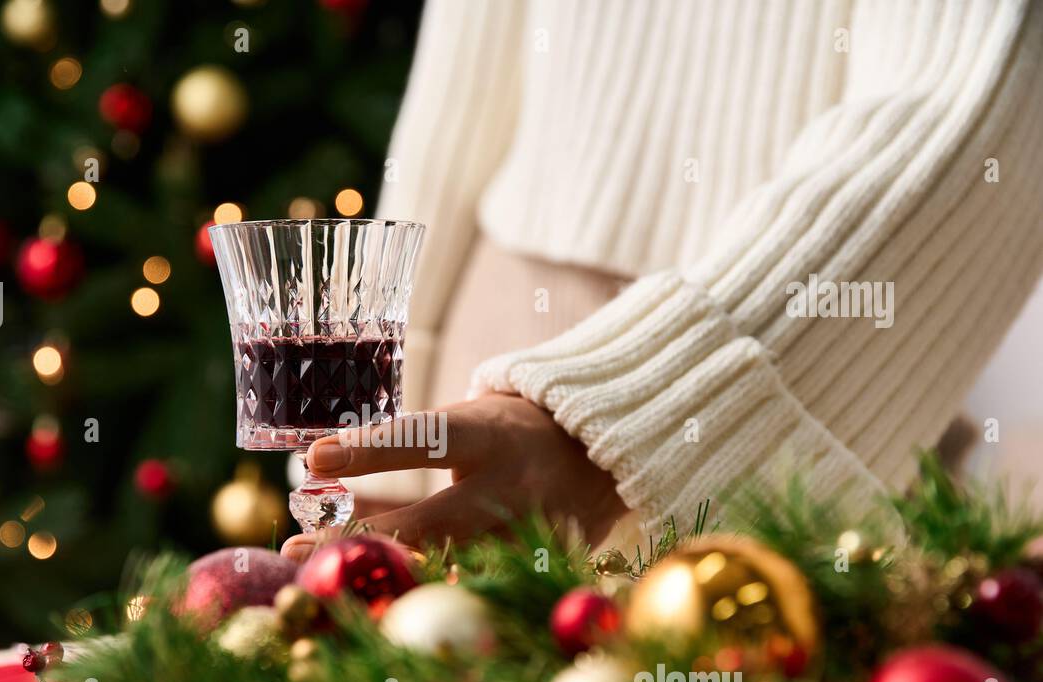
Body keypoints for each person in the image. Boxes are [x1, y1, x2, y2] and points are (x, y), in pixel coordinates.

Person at [282, 0, 1043, 561]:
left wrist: (612, 426)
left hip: (765, 382)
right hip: (488, 346)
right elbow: (465, 76)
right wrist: (387, 399)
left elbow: (971, 94)